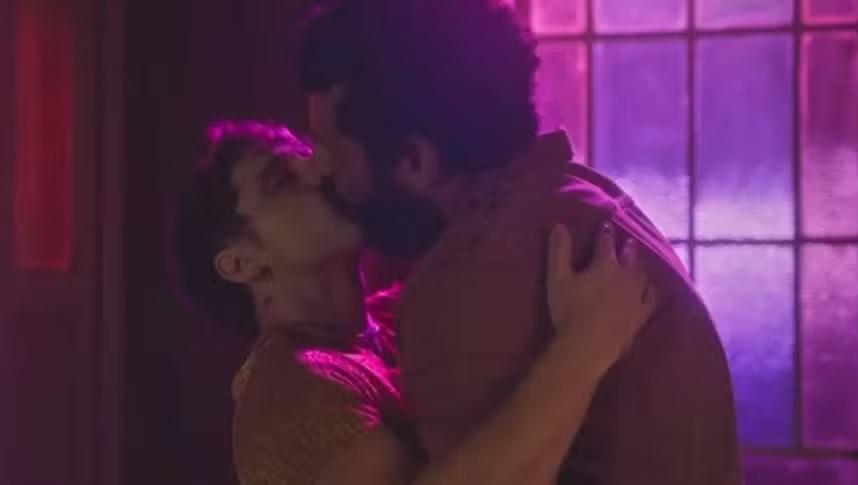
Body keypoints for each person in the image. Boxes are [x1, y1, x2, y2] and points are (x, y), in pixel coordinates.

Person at [298, 1, 743, 484]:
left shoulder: (472, 273)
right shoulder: (575, 200)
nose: (314, 168)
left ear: (414, 161)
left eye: (330, 149)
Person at [171, 121, 658, 485]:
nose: (316, 169)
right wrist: (585, 347)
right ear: (240, 263)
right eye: (280, 180)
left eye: (306, 154)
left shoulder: (399, 318)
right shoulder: (283, 396)